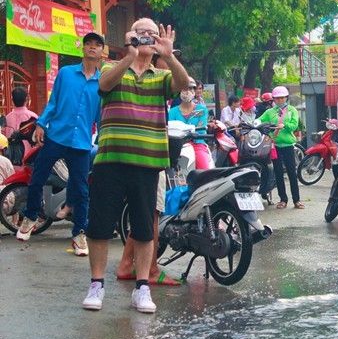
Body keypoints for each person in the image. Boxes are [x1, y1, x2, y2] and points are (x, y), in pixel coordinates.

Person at [83, 18, 189, 314]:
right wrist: (128, 56)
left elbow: (183, 86)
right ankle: (96, 284)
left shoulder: (161, 75)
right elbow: (103, 86)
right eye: (140, 33)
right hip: (110, 160)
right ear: (130, 36)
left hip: (148, 163)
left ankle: (142, 287)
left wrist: (168, 56)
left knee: (144, 228)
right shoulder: (110, 68)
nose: (146, 37)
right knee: (100, 225)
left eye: (151, 34)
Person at [15, 32, 104, 257]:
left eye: (97, 45)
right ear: (82, 49)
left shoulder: (102, 83)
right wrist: (41, 124)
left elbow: (101, 117)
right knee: (37, 177)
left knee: (82, 190)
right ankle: (31, 216)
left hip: (81, 143)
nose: (92, 48)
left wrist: (104, 140)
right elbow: (53, 102)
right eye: (89, 44)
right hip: (56, 136)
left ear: (101, 52)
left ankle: (79, 233)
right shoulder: (66, 74)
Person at [257, 86, 304, 210]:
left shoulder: (292, 110)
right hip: (275, 146)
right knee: (278, 173)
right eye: (277, 98)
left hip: (288, 145)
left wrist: (284, 125)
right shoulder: (269, 112)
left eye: (282, 98)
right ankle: (283, 199)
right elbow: (259, 121)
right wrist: (252, 123)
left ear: (286, 98)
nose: (279, 100)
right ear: (274, 99)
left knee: (292, 173)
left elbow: (294, 125)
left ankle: (296, 200)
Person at [168, 78, 212, 170]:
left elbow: (201, 129)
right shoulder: (172, 111)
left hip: (197, 144)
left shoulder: (201, 110)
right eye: (184, 89)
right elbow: (171, 130)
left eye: (191, 88)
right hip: (177, 147)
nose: (187, 91)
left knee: (204, 171)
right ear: (180, 91)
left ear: (194, 91)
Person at [3, 86, 38, 160]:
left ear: (12, 100)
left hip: (12, 159)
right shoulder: (33, 117)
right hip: (30, 158)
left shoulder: (6, 118)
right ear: (27, 99)